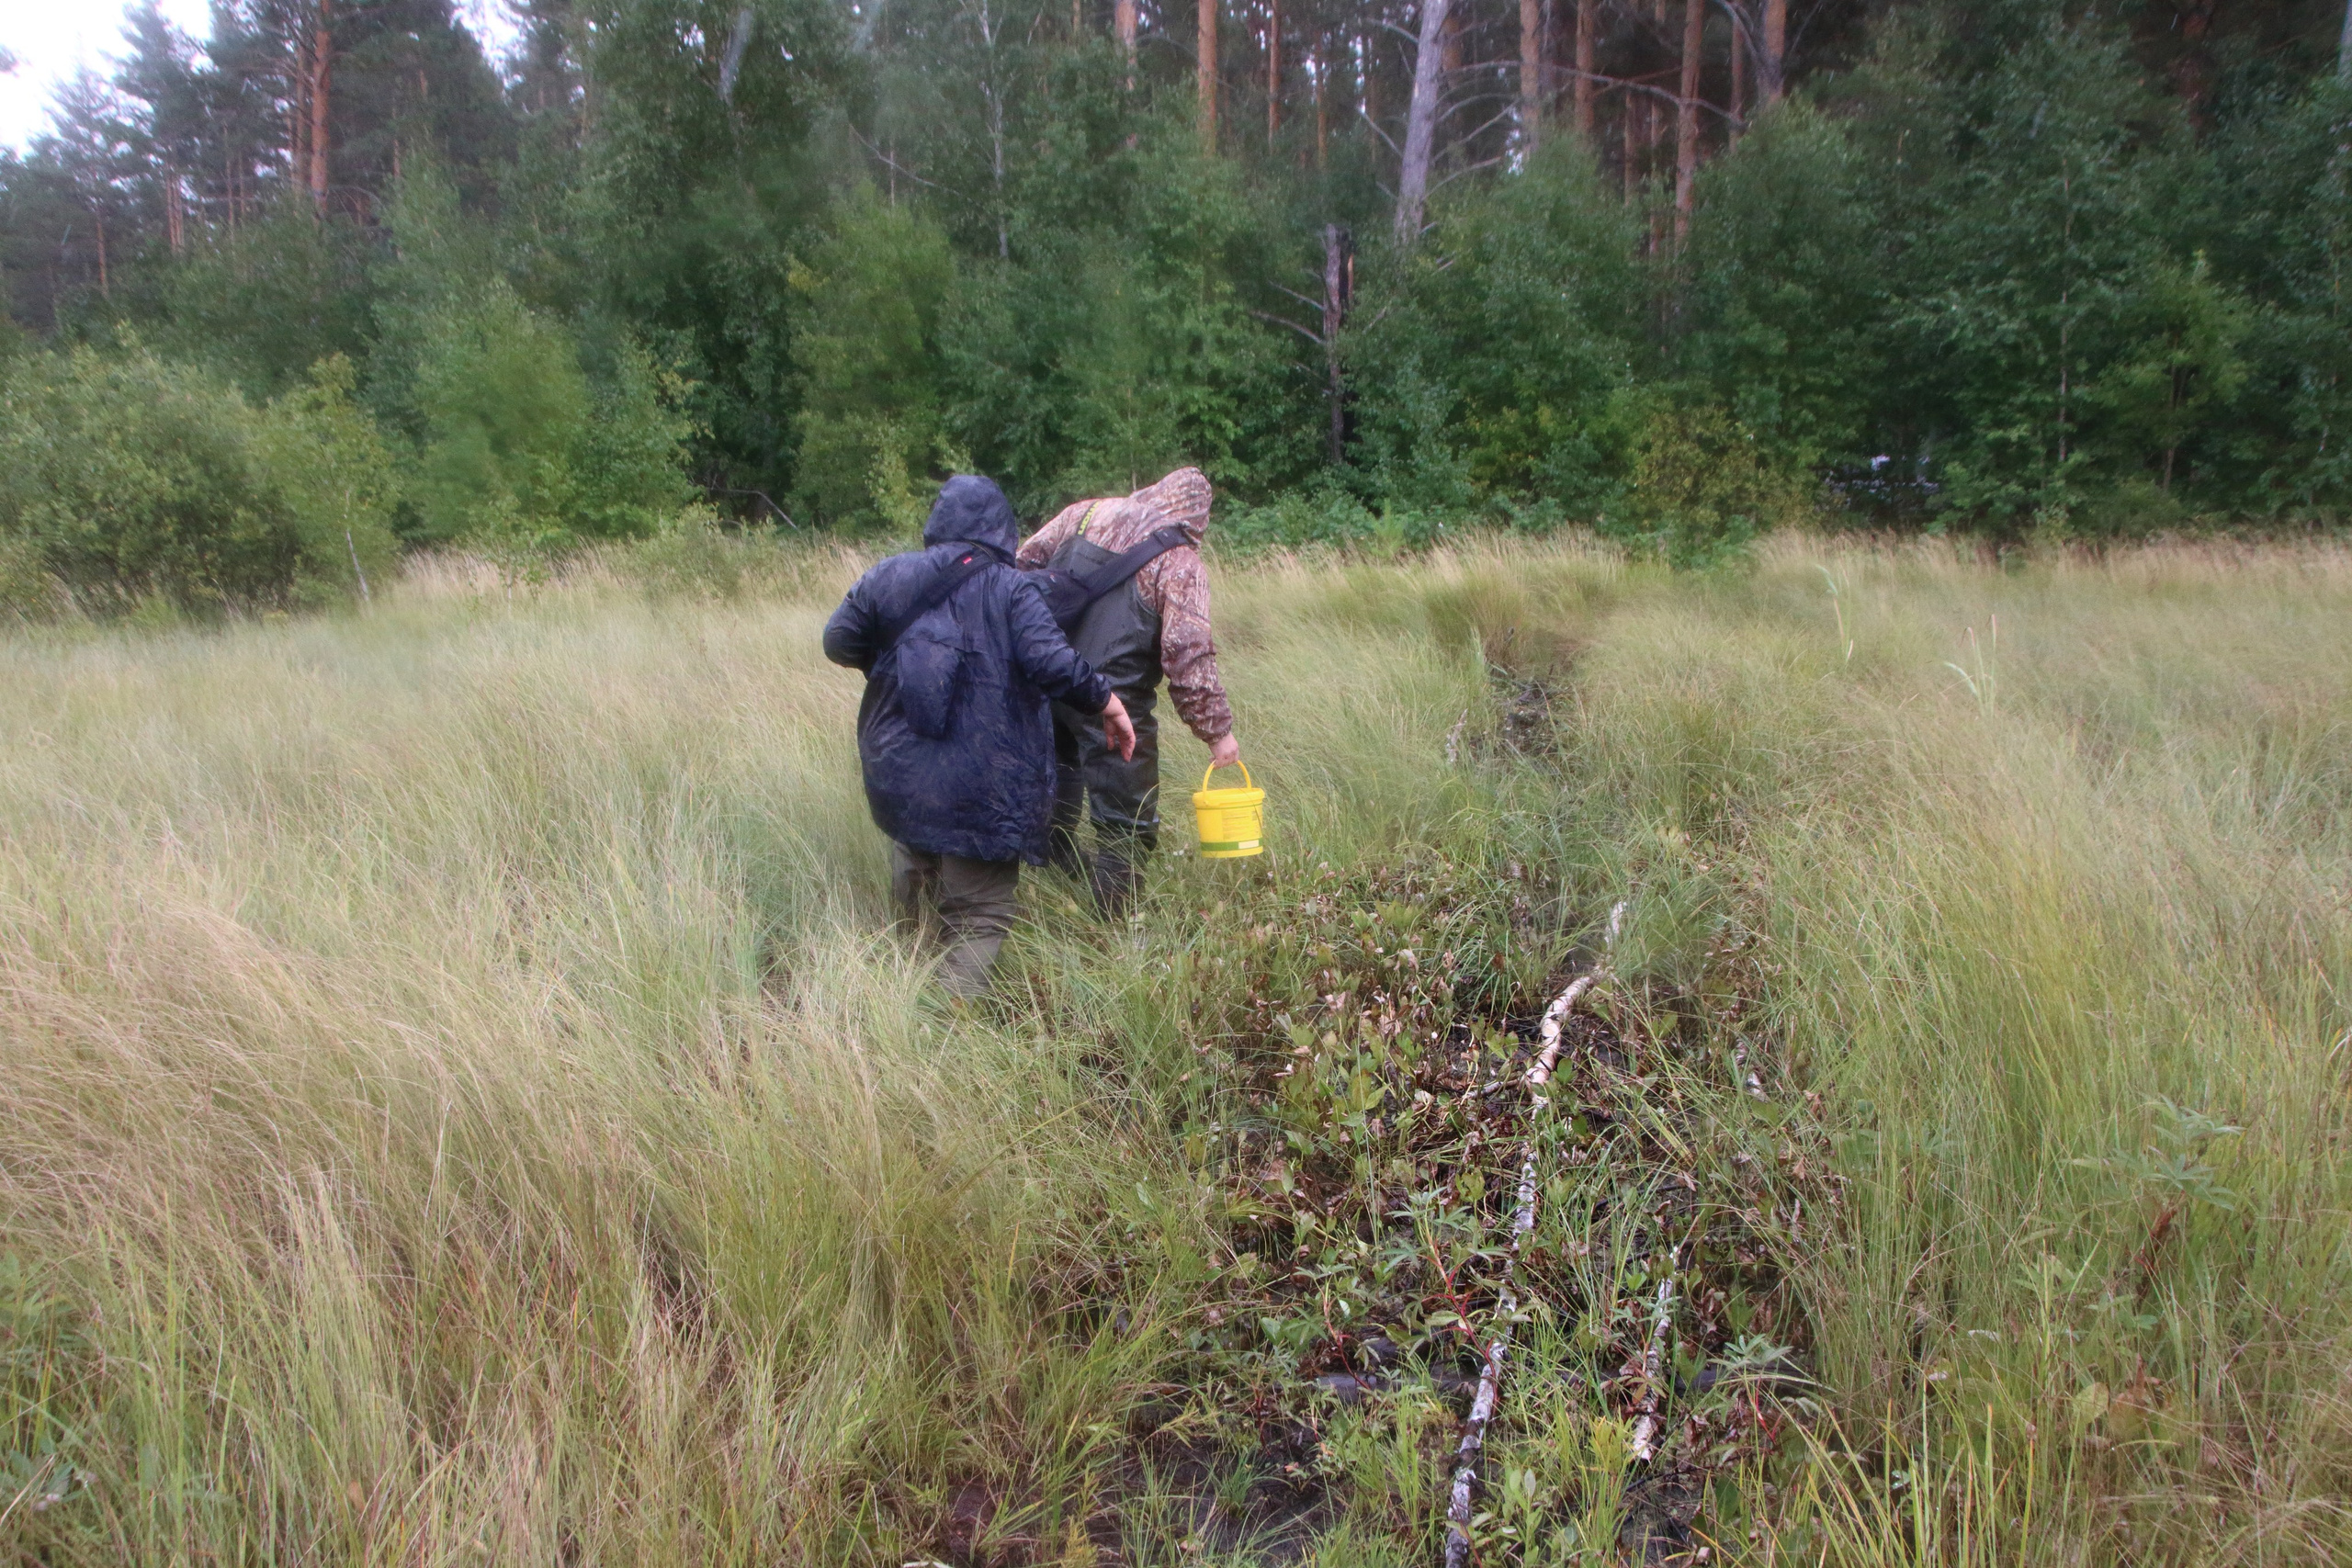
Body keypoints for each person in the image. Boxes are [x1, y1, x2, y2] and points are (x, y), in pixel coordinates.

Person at [823, 475, 1136, 996]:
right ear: (1001, 531)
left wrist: (896, 668)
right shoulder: (1012, 588)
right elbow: (1051, 662)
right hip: (983, 782)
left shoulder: (888, 576)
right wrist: (1108, 701)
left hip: (899, 769)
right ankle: (937, 1032)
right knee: (980, 915)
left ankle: (900, 997)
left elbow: (838, 641)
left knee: (916, 877)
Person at [1017, 466, 1238, 918]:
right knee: (1125, 823)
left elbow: (1019, 568)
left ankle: (1055, 893)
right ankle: (1112, 931)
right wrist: (1218, 733)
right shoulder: (1179, 561)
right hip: (1112, 706)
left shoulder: (1083, 513)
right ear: (1200, 518)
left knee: (1053, 789)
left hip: (1046, 679)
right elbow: (1188, 656)